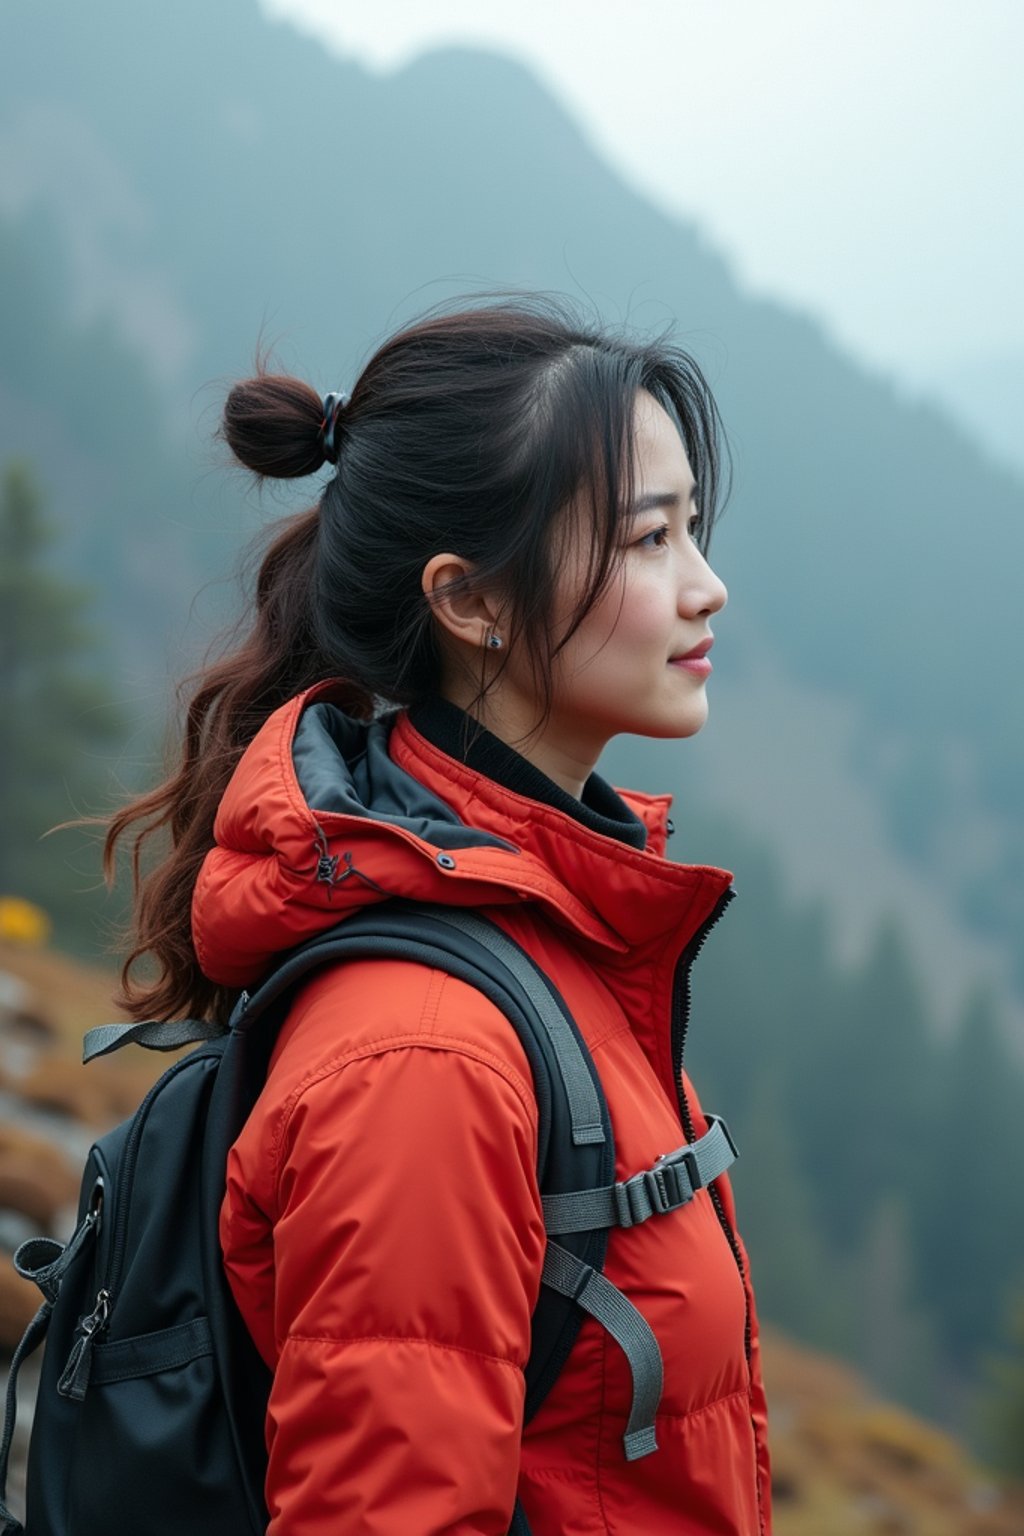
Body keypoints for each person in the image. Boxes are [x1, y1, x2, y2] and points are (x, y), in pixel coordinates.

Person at [106, 298, 772, 1535]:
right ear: (467, 601)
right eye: (647, 541)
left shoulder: (552, 932)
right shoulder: (426, 1054)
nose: (706, 586)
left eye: (695, 529)